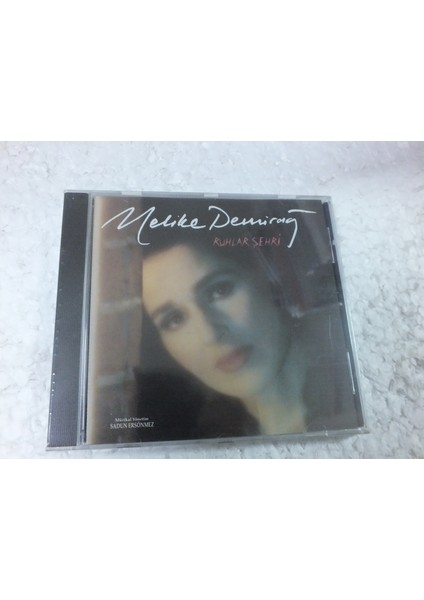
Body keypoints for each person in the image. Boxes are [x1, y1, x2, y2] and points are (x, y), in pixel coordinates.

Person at [135, 199, 362, 441]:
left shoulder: (348, 387)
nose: (211, 333)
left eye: (219, 290)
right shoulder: (203, 437)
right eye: (174, 320)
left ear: (266, 277)